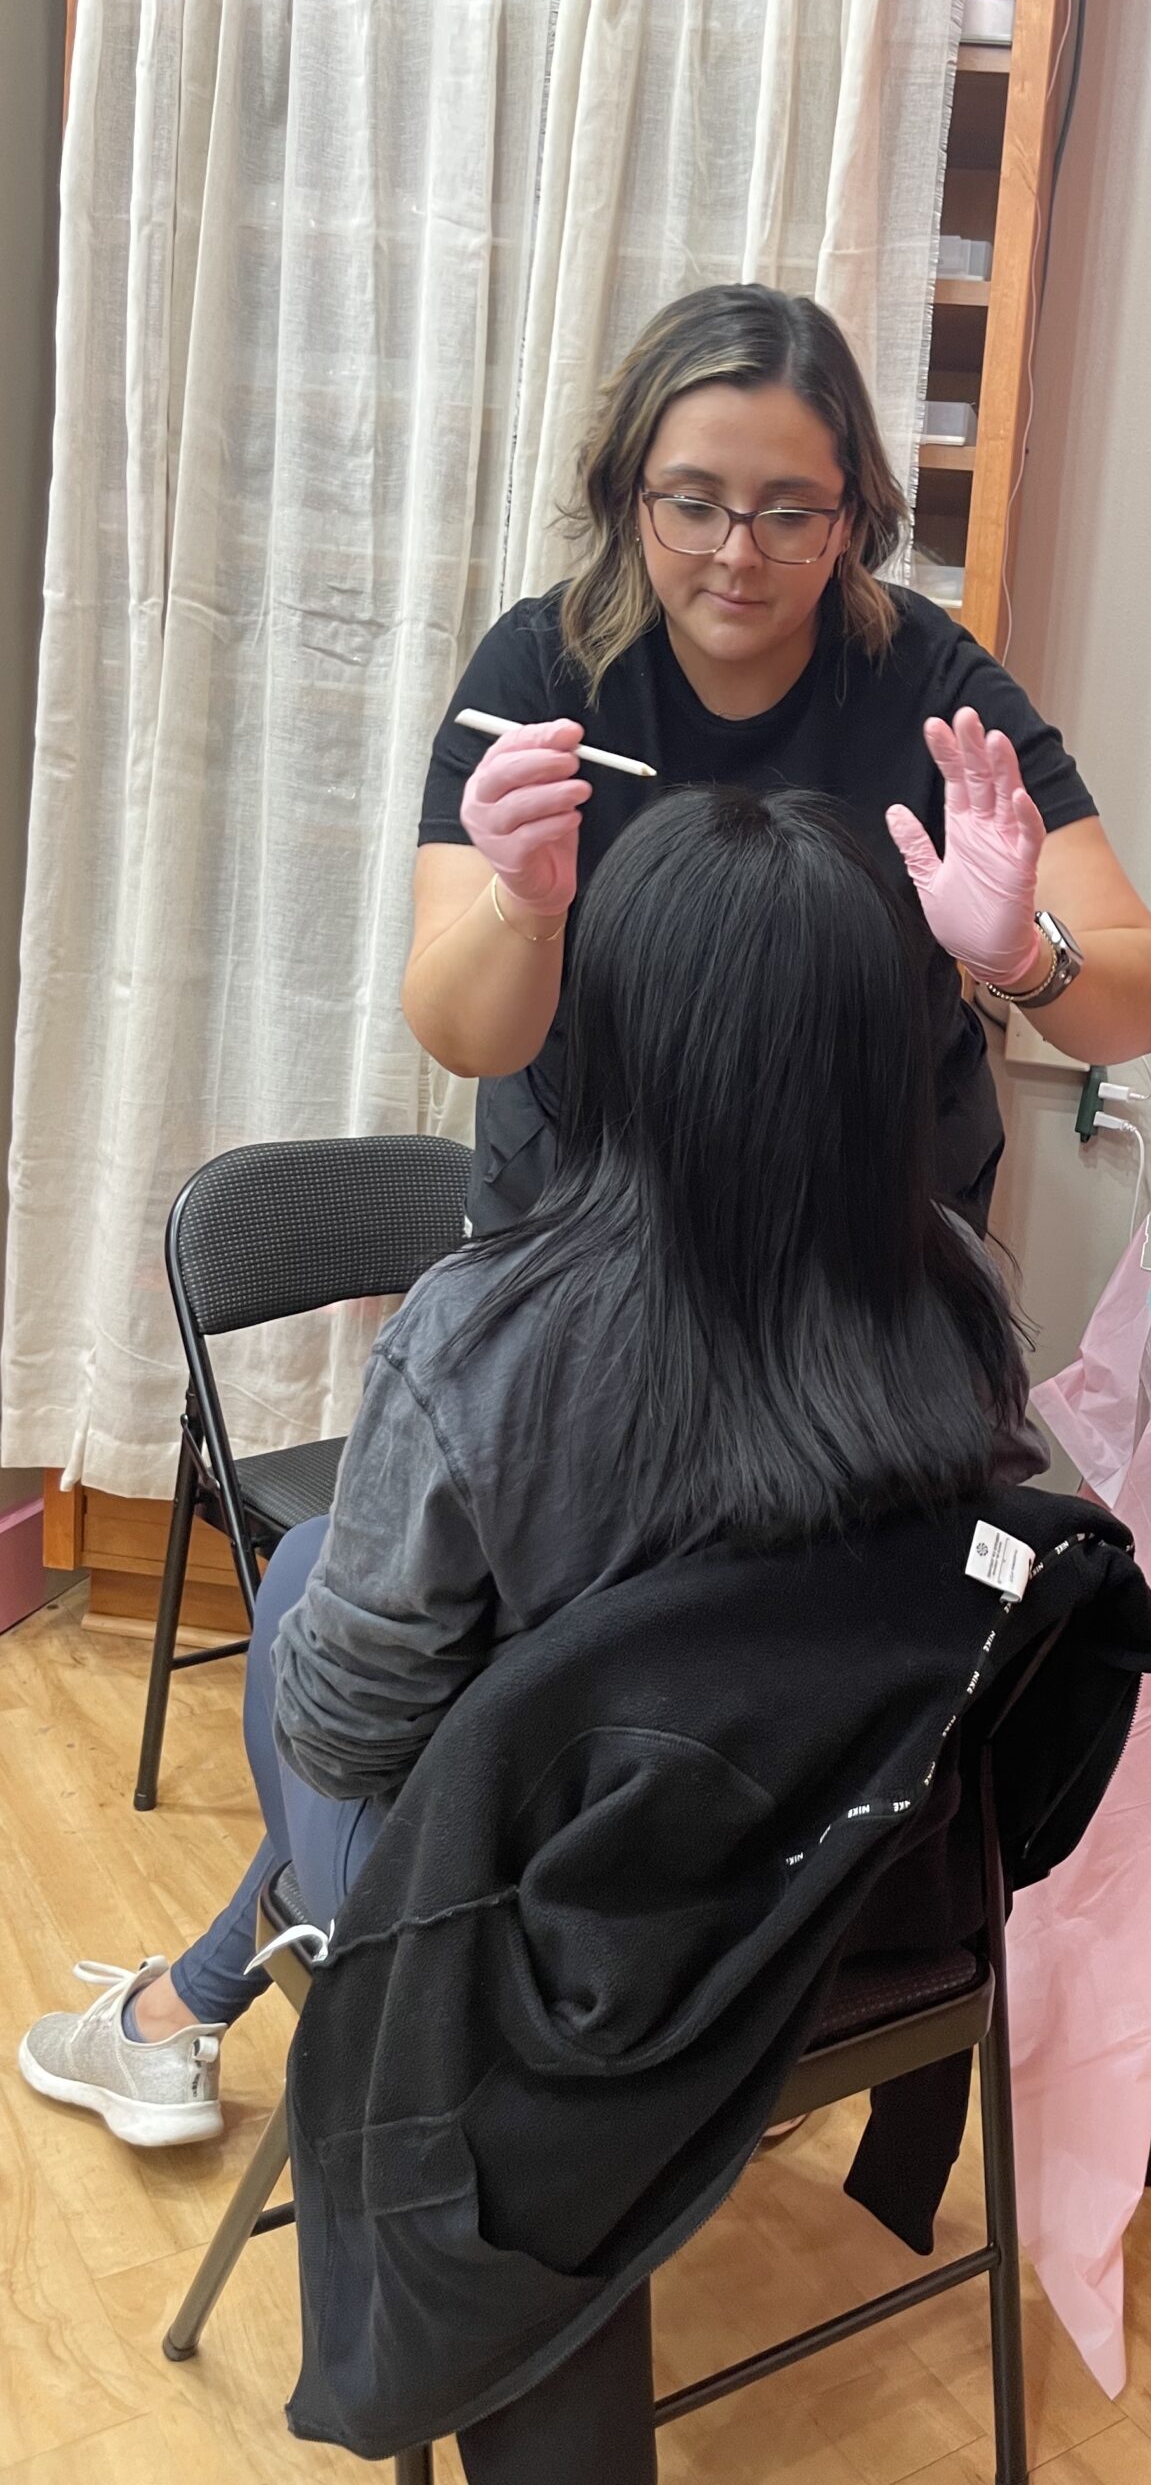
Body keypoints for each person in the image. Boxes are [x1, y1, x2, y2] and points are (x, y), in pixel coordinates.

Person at [20, 786, 1045, 2144]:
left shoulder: (485, 1338)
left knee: (322, 1579)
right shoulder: (963, 1300)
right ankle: (184, 2001)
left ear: (615, 1032)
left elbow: (339, 1741)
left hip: (559, 1969)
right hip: (844, 1904)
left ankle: (177, 2013)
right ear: (881, 1047)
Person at [401, 281, 1151, 1238]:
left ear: (850, 519)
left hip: (871, 1253)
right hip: (587, 1230)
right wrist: (520, 906)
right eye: (692, 504)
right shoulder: (539, 674)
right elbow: (461, 1035)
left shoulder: (933, 690)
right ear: (627, 494)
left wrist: (1021, 959)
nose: (737, 555)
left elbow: (1142, 1007)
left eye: (789, 513)